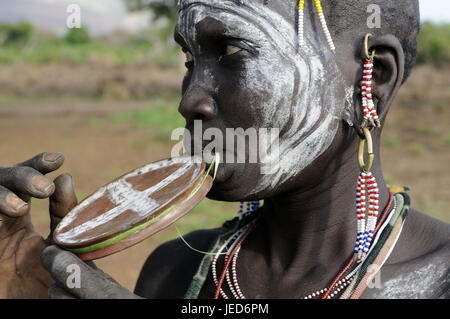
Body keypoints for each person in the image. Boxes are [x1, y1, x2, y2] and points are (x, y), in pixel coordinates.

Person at [0, 0, 448, 299]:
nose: (189, 100)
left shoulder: (439, 280)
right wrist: (35, 281)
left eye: (232, 50)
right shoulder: (174, 271)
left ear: (375, 79)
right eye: (189, 60)